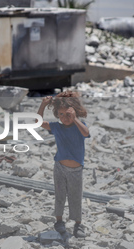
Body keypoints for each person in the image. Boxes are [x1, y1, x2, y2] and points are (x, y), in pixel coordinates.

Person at [37, 91, 90, 238]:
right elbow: (38, 122)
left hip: (76, 169)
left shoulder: (79, 126)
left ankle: (78, 224)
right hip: (59, 167)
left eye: (68, 115)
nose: (65, 118)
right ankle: (59, 221)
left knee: (75, 197)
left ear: (75, 113)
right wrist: (43, 104)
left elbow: (86, 133)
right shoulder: (57, 127)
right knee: (60, 195)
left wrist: (75, 119)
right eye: (61, 115)